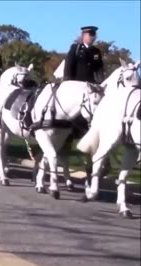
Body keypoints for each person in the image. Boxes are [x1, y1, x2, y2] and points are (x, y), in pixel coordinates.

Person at [63, 26, 108, 178]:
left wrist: (101, 85)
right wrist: (68, 86)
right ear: (83, 35)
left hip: (91, 90)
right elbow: (68, 69)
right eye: (89, 34)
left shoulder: (96, 52)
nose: (92, 36)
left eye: (94, 34)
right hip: (76, 91)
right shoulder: (75, 49)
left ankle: (95, 159)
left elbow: (99, 70)